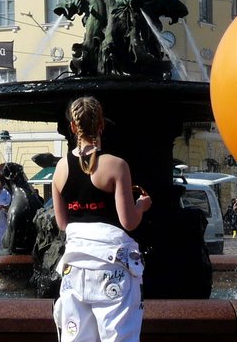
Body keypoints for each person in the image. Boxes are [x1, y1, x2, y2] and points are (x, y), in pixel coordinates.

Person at [53, 96, 152, 342]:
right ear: (101, 126)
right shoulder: (116, 166)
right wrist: (141, 206)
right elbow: (128, 222)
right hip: (113, 265)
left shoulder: (60, 169)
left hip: (74, 267)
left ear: (73, 127)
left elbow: (63, 224)